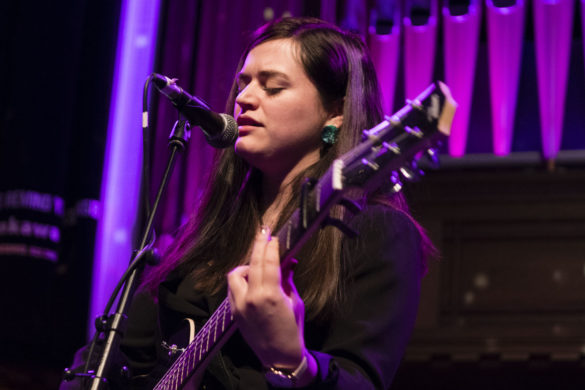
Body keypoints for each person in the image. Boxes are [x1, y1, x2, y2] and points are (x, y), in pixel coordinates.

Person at [62, 16, 448, 389]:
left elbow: (361, 379)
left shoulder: (379, 232)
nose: (243, 98)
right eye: (243, 83)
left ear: (337, 112)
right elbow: (120, 352)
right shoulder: (211, 228)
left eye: (273, 87)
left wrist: (293, 363)